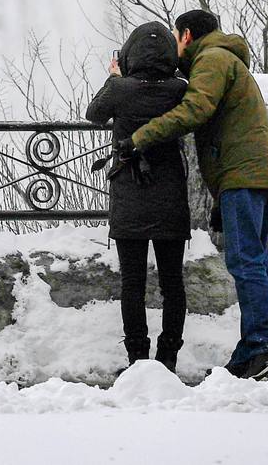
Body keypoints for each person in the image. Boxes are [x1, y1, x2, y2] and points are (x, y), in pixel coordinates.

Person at [126, 9, 268, 380]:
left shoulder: (213, 59)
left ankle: (264, 340)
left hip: (243, 178)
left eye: (174, 36)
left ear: (185, 35)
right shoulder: (224, 59)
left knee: (246, 261)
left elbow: (195, 108)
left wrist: (140, 137)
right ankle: (252, 347)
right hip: (254, 177)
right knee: (255, 261)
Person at [87, 22, 190, 373]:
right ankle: (168, 356)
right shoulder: (179, 89)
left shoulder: (121, 89)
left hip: (130, 193)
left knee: (132, 282)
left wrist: (114, 78)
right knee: (172, 282)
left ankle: (137, 358)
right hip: (170, 194)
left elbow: (94, 114)